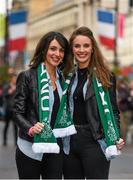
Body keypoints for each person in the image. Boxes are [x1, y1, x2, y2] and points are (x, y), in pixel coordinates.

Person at [63, 26, 125, 179]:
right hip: (69, 141)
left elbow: (113, 110)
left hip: (95, 140)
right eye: (77, 46)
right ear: (72, 49)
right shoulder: (66, 75)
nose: (81, 50)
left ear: (92, 49)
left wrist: (116, 135)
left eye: (86, 45)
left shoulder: (106, 76)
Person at [13, 31, 73, 179]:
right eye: (53, 49)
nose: (57, 53)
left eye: (61, 50)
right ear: (44, 49)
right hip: (30, 146)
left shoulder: (63, 79)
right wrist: (30, 128)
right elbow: (17, 111)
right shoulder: (27, 76)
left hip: (55, 146)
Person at [3, 73, 18, 146]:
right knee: (6, 125)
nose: (15, 80)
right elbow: (3, 95)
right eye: (14, 79)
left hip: (15, 110)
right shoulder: (7, 86)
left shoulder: (18, 87)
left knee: (15, 127)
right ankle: (4, 140)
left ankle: (16, 142)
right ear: (11, 79)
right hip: (8, 109)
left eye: (16, 79)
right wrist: (10, 91)